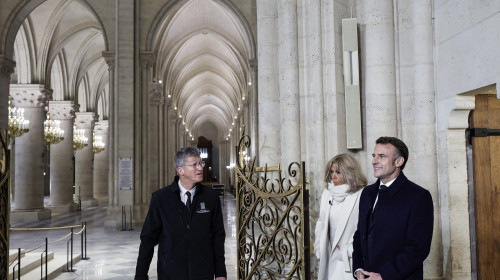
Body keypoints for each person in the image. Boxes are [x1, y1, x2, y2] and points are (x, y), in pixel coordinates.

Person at [135, 147, 227, 280]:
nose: (200, 168)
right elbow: (147, 240)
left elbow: (218, 237)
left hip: (203, 273)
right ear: (181, 170)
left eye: (201, 163)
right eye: (194, 164)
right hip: (171, 273)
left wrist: (220, 273)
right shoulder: (161, 198)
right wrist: (140, 275)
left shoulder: (211, 197)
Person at [352, 137, 434, 280]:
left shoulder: (419, 196)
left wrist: (383, 276)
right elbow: (360, 235)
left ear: (399, 161)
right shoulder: (367, 193)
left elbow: (418, 248)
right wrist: (358, 268)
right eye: (374, 155)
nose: (374, 161)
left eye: (381, 156)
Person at [314, 153, 367, 280]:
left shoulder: (361, 194)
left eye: (338, 172)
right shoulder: (328, 193)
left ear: (349, 172)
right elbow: (321, 223)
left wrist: (349, 249)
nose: (333, 176)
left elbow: (366, 228)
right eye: (331, 172)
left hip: (348, 258)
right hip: (328, 255)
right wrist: (318, 250)